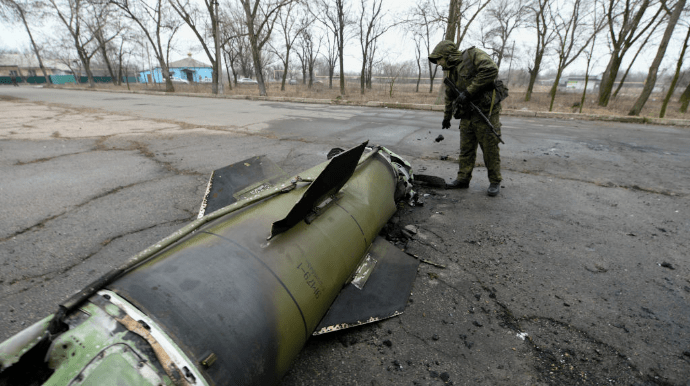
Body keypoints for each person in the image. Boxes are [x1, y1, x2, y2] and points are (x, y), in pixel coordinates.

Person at [428, 40, 503, 197]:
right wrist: (446, 118)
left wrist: (469, 92)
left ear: (448, 56)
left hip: (485, 111)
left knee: (489, 148)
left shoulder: (472, 56)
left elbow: (491, 70)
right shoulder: (450, 71)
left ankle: (495, 181)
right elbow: (449, 96)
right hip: (467, 113)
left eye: (439, 59)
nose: (438, 63)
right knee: (466, 148)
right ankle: (463, 179)